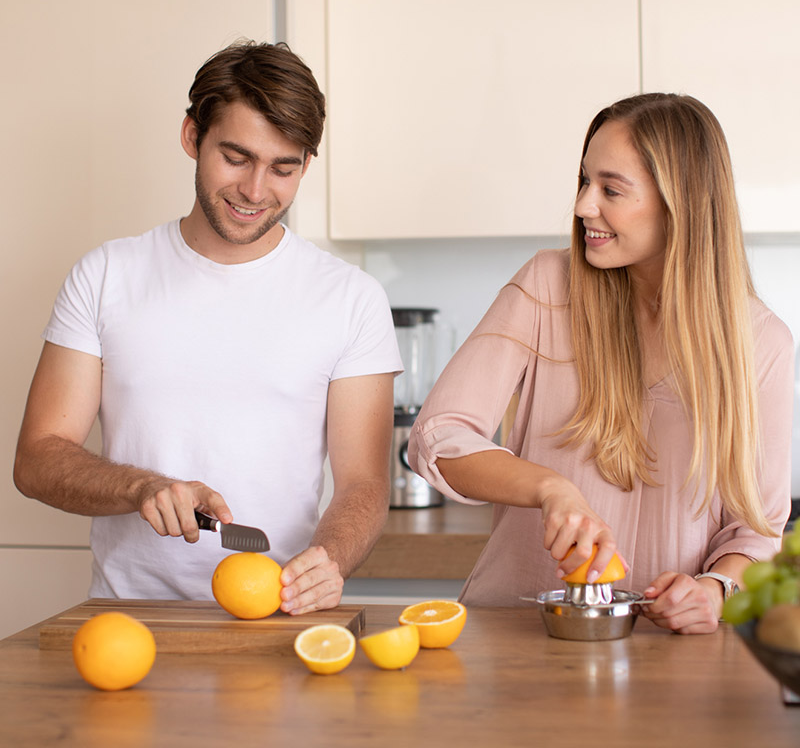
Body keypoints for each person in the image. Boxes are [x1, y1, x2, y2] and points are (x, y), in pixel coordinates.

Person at [13, 40, 402, 615]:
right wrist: (141, 488)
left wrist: (331, 558)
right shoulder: (105, 276)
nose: (255, 190)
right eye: (237, 157)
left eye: (283, 168)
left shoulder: (351, 299)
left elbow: (364, 483)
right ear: (192, 136)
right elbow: (38, 457)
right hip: (128, 620)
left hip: (275, 617)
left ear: (306, 166)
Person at [408, 93, 793, 634]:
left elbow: (756, 535)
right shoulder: (545, 287)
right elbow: (437, 437)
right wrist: (550, 489)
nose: (584, 206)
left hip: (667, 652)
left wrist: (714, 588)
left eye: (611, 189)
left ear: (679, 203)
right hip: (517, 640)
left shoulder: (762, 345)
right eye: (584, 182)